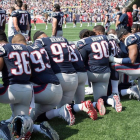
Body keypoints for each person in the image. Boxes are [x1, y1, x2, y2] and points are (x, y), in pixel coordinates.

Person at [33, 31, 97, 123]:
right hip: (73, 76)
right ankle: (83, 106)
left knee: (40, 114)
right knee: (65, 108)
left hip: (59, 78)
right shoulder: (64, 41)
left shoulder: (41, 44)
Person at [12, 34, 62, 140]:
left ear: (15, 44)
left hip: (46, 90)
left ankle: (21, 129)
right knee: (32, 119)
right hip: (57, 89)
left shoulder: (23, 51)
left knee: (16, 90)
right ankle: (40, 127)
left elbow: (27, 75)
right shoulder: (38, 47)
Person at [0, 30, 32, 117]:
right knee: (21, 123)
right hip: (28, 91)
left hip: (12, 90)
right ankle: (38, 127)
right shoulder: (25, 48)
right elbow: (30, 71)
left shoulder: (3, 48)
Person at [109, 28, 140, 100]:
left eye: (121, 40)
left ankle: (115, 93)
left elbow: (131, 60)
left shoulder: (129, 38)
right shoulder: (137, 34)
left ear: (123, 36)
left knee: (113, 65)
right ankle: (131, 89)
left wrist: (114, 59)